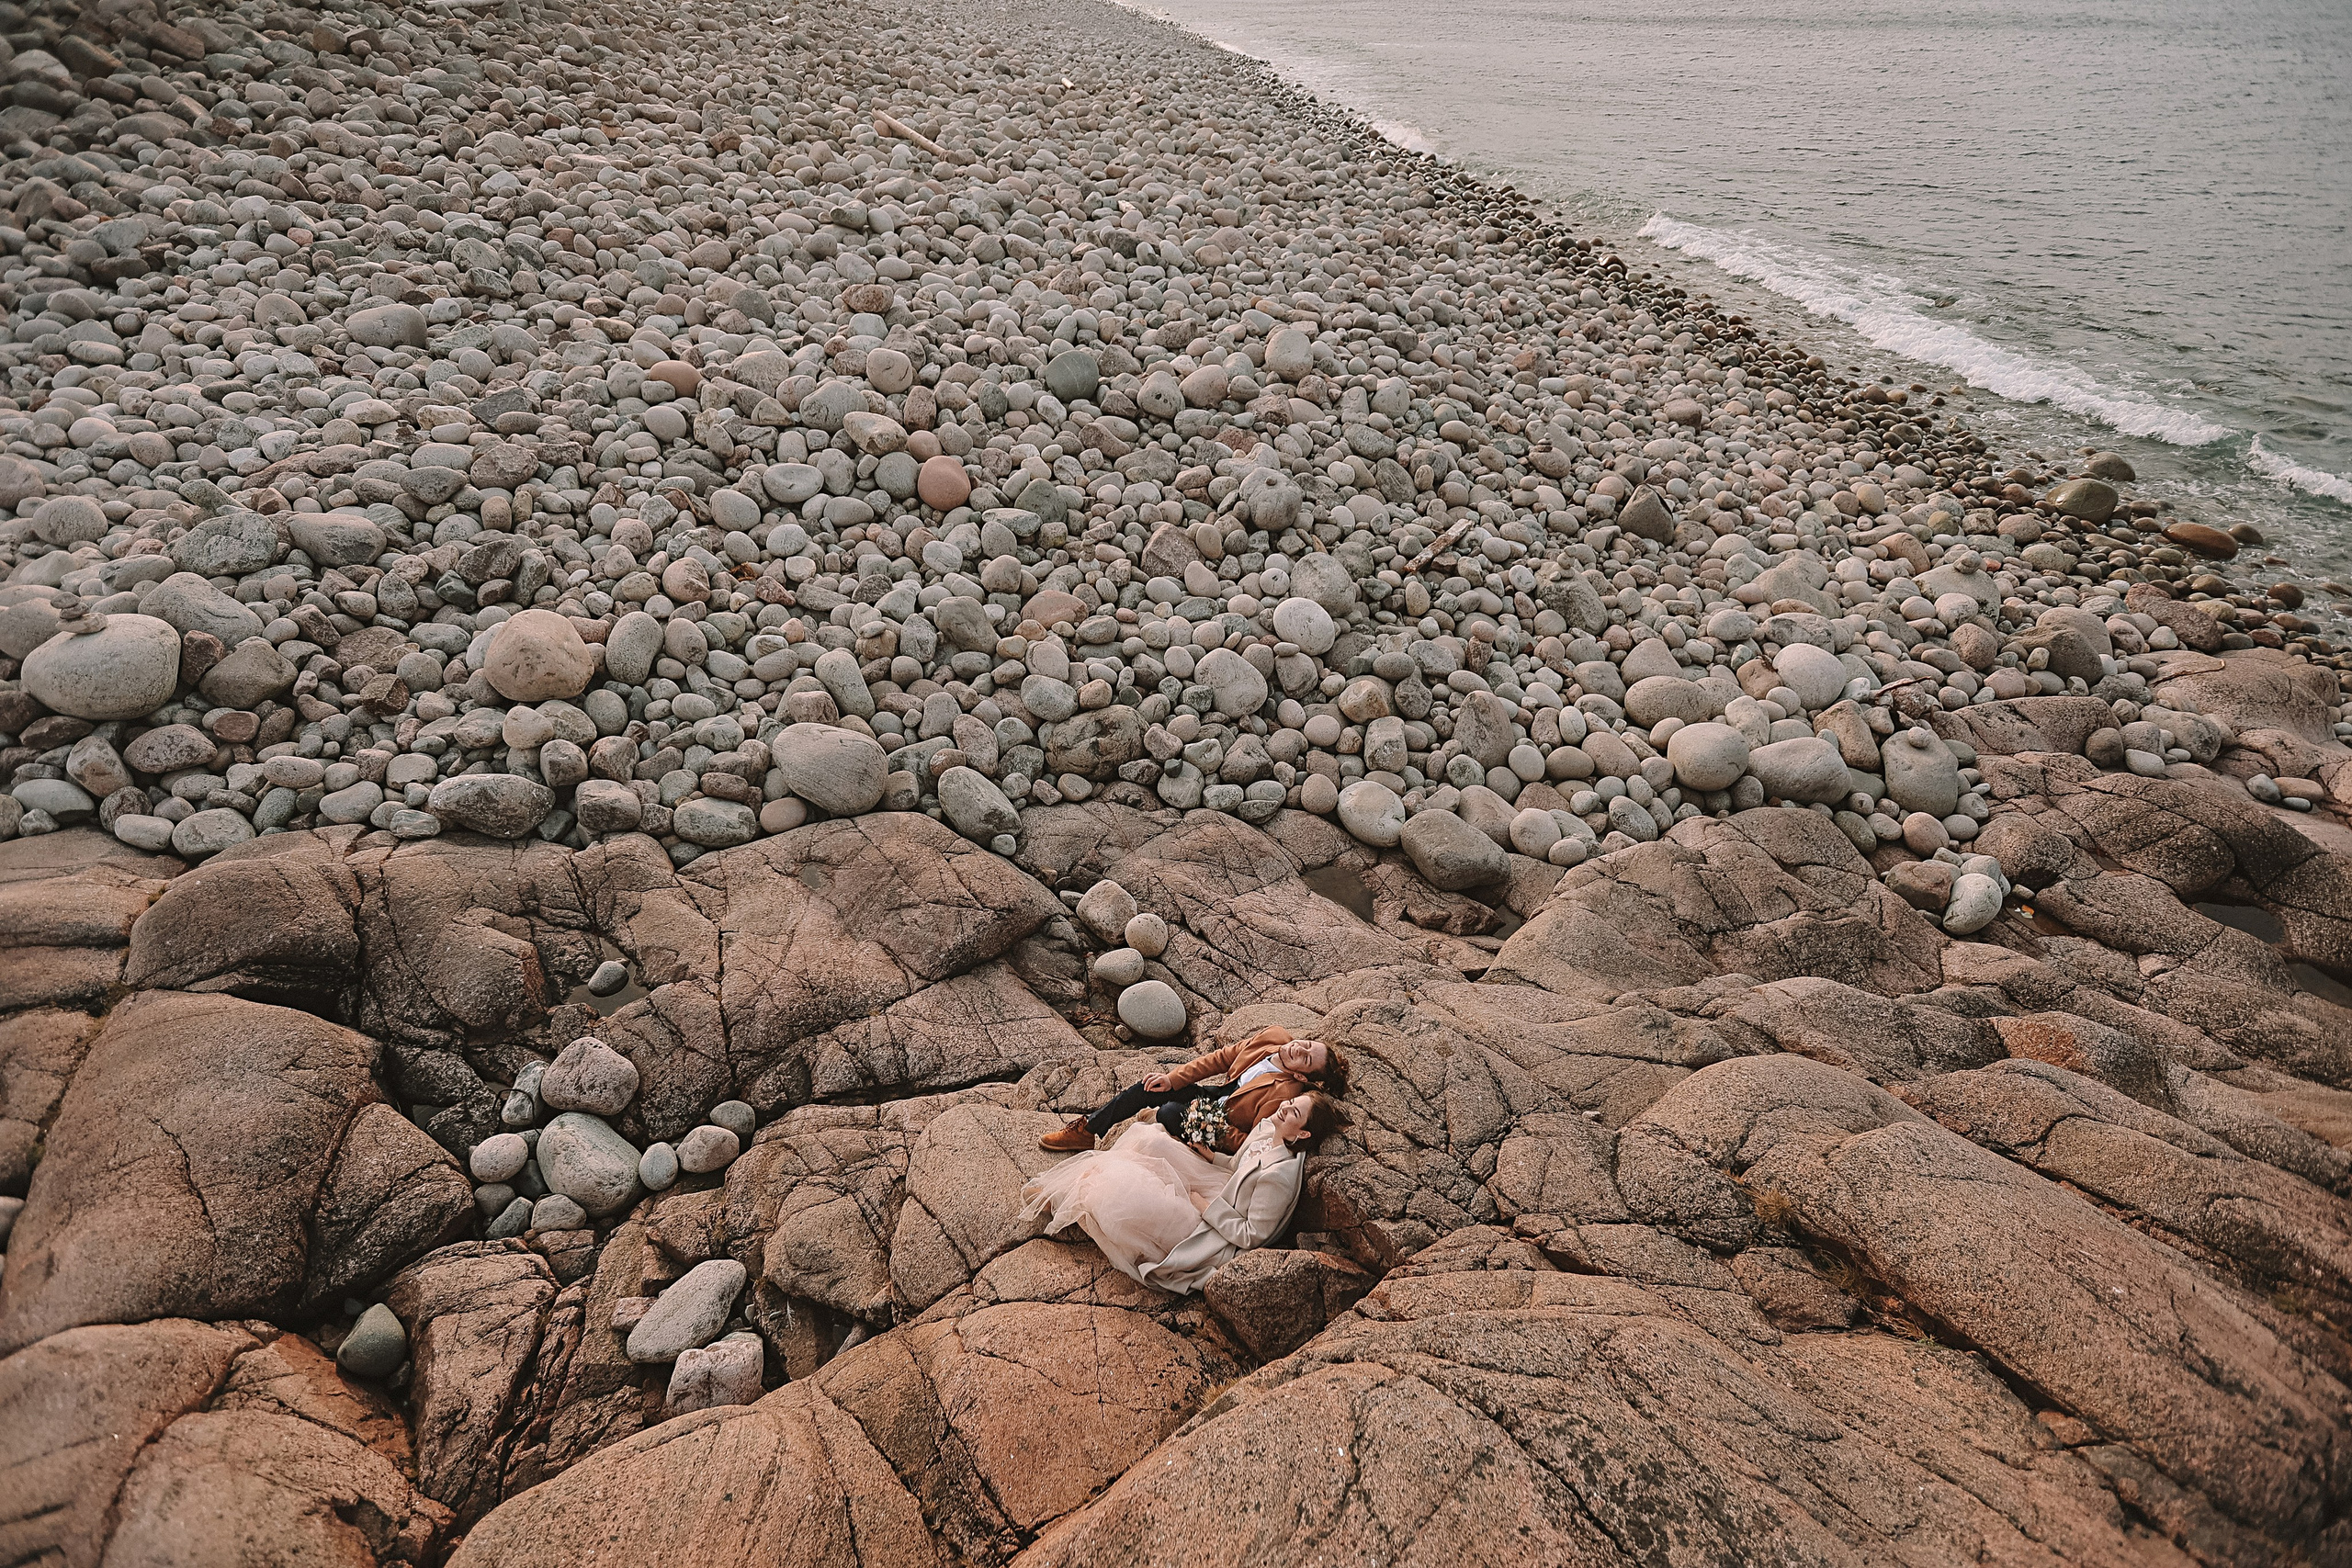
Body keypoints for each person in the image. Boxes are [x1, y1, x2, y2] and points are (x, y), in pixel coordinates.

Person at [1017, 1089, 1349, 1293]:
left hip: (1217, 1230)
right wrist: (1213, 1157)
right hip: (1221, 1184)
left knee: (1125, 1190)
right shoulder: (1268, 1128)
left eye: (1295, 1112)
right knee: (1150, 1138)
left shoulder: (1282, 1175)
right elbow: (1239, 1167)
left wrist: (1205, 1206)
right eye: (1291, 1102)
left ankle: (1065, 1198)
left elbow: (1253, 1236)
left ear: (1303, 1135)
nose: (1285, 1108)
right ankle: (1075, 1187)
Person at [1037, 1024, 1350, 1154]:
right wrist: (1174, 1079)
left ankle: (1176, 1141)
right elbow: (1221, 1058)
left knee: (1170, 1113)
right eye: (1307, 1044)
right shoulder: (1275, 1035)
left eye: (1306, 1058)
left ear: (1305, 1076)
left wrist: (1210, 1129)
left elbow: (1253, 1140)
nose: (1299, 1049)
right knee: (1150, 1087)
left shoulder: (1286, 1093)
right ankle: (1087, 1130)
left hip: (1222, 1123)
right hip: (1215, 1094)